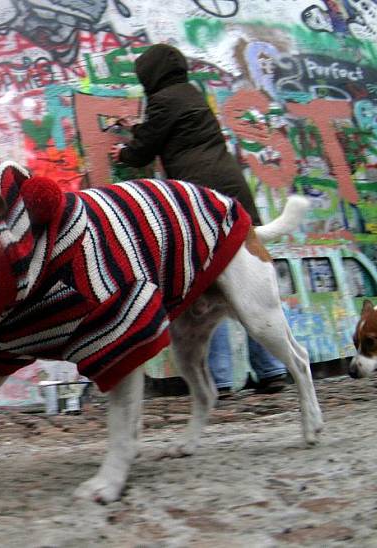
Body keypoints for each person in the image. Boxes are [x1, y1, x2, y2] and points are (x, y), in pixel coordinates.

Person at [110, 43, 288, 394]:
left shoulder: (163, 100)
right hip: (234, 195)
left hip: (207, 205)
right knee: (246, 284)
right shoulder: (189, 93)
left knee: (207, 282)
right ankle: (271, 369)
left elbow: (145, 148)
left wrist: (125, 150)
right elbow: (169, 133)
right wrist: (139, 128)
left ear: (151, 73)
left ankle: (219, 378)